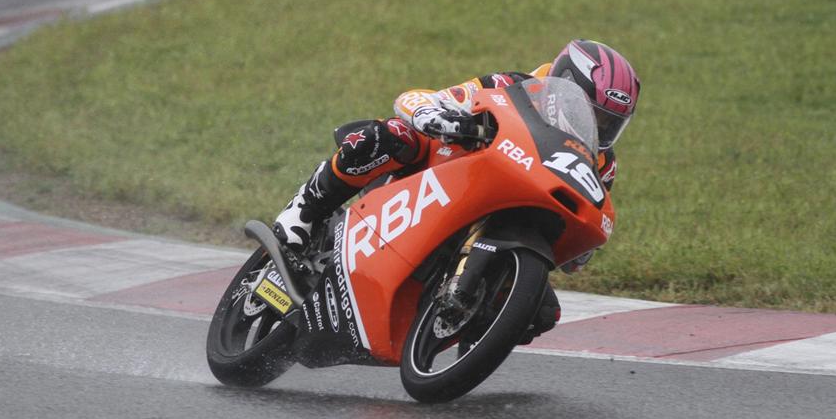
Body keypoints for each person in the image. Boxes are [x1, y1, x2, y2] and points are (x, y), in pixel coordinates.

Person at [273, 39, 640, 341]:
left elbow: (585, 218)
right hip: (443, 170)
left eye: (609, 123)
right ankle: (304, 211)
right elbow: (417, 99)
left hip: (507, 215)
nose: (598, 127)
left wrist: (581, 243)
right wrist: (435, 115)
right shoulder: (511, 86)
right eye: (592, 114)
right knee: (389, 136)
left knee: (542, 313)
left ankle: (462, 341)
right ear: (565, 84)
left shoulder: (602, 164)